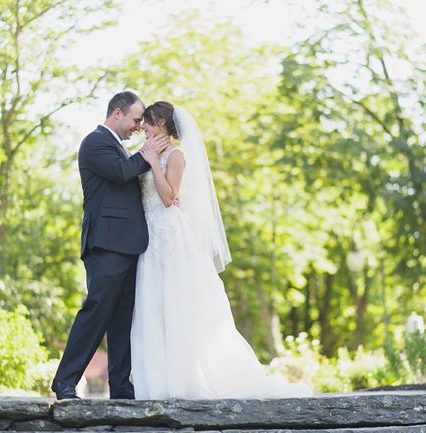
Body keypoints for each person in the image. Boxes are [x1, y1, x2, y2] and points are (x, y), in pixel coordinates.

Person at [130, 102, 312, 399]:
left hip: (170, 236)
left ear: (162, 122)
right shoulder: (145, 151)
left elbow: (168, 197)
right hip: (148, 237)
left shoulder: (176, 156)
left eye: (148, 121)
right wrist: (146, 157)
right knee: (151, 306)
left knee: (175, 306)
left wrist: (152, 162)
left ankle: (184, 380)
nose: (143, 127)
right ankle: (156, 383)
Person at [50, 91, 170, 400]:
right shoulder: (95, 142)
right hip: (107, 243)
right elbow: (121, 173)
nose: (137, 126)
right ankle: (64, 382)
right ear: (117, 113)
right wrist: (147, 154)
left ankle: (121, 385)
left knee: (122, 318)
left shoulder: (116, 145)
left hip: (129, 244)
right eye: (135, 120)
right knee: (96, 311)